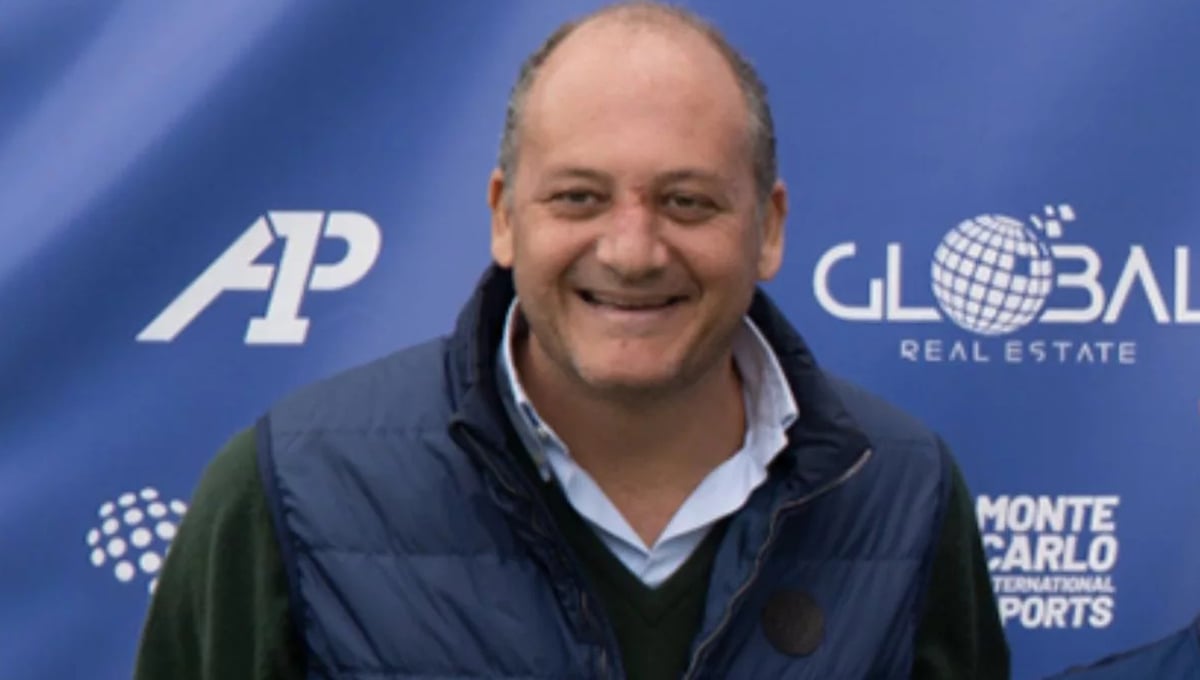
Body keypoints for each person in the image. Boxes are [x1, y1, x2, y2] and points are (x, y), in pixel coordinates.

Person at [134, 2, 1010, 678]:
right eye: (579, 198)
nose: (632, 250)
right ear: (503, 217)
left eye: (687, 202)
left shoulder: (901, 492)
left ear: (769, 229)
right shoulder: (291, 492)